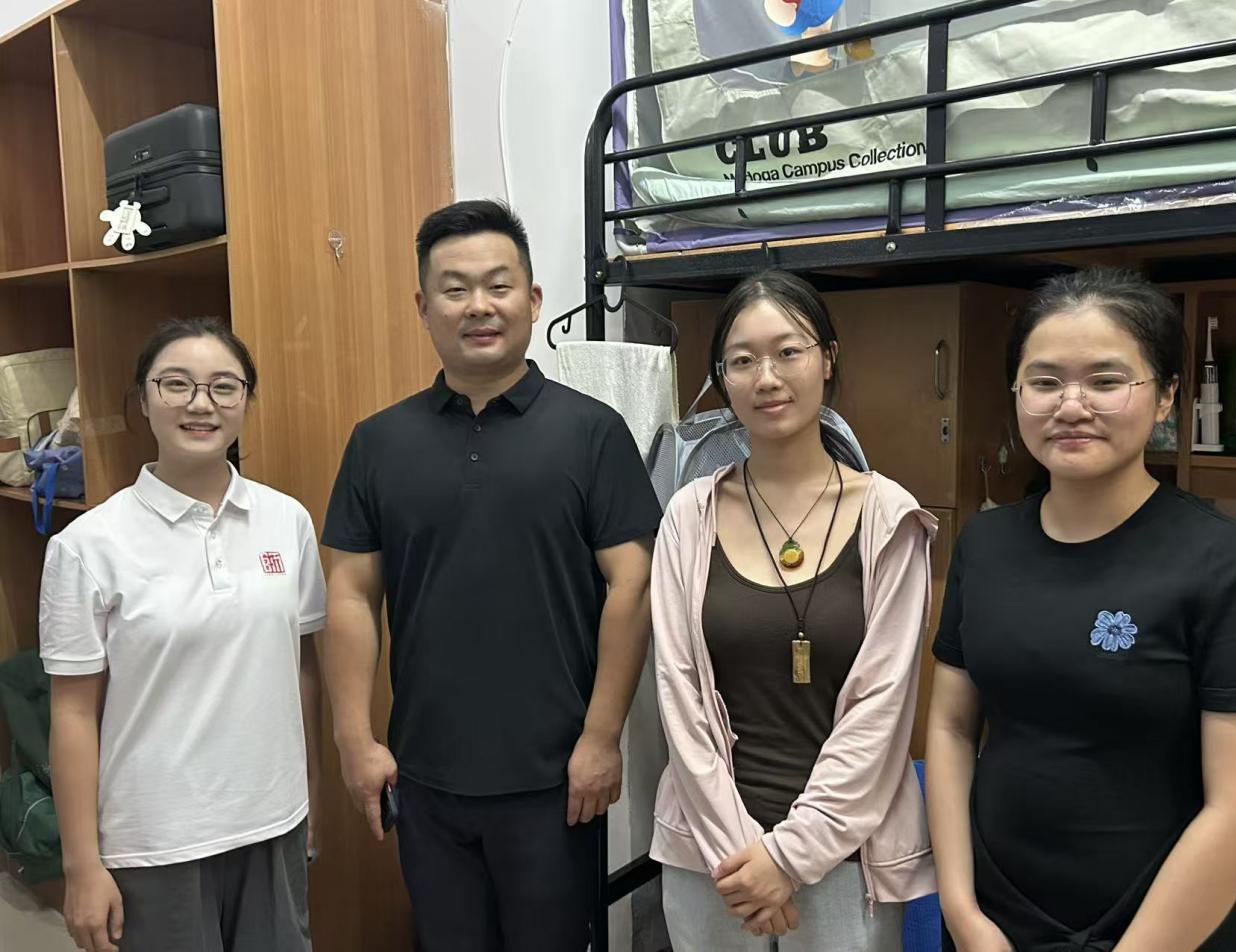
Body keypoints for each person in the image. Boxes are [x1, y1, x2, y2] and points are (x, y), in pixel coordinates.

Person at [321, 199, 662, 951]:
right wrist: (354, 739)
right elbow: (349, 594)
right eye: (455, 288)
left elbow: (632, 589)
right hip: (424, 777)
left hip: (557, 781)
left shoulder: (593, 432)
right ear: (423, 307)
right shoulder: (378, 442)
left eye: (498, 285)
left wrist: (601, 737)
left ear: (532, 300)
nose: (479, 305)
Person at [926, 268, 1236, 952]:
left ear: (1166, 396)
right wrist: (962, 912)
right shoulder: (985, 543)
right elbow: (951, 727)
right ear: (1016, 392)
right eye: (1045, 381)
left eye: (1106, 381)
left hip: (1165, 928)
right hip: (995, 920)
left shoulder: (1231, 562)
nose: (1071, 405)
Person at [650, 269, 937, 951]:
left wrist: (788, 859)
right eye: (742, 361)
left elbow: (883, 710)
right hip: (715, 859)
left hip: (847, 858)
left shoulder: (889, 518)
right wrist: (743, 856)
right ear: (722, 379)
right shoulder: (688, 516)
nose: (767, 377)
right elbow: (678, 694)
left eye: (788, 352)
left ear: (828, 359)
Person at [41, 318, 325, 952]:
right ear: (143, 400)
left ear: (246, 401)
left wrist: (312, 796)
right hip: (156, 840)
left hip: (273, 821)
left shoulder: (287, 521)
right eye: (176, 384)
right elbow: (73, 712)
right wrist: (82, 865)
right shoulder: (88, 545)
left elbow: (302, 668)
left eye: (224, 386)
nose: (202, 404)